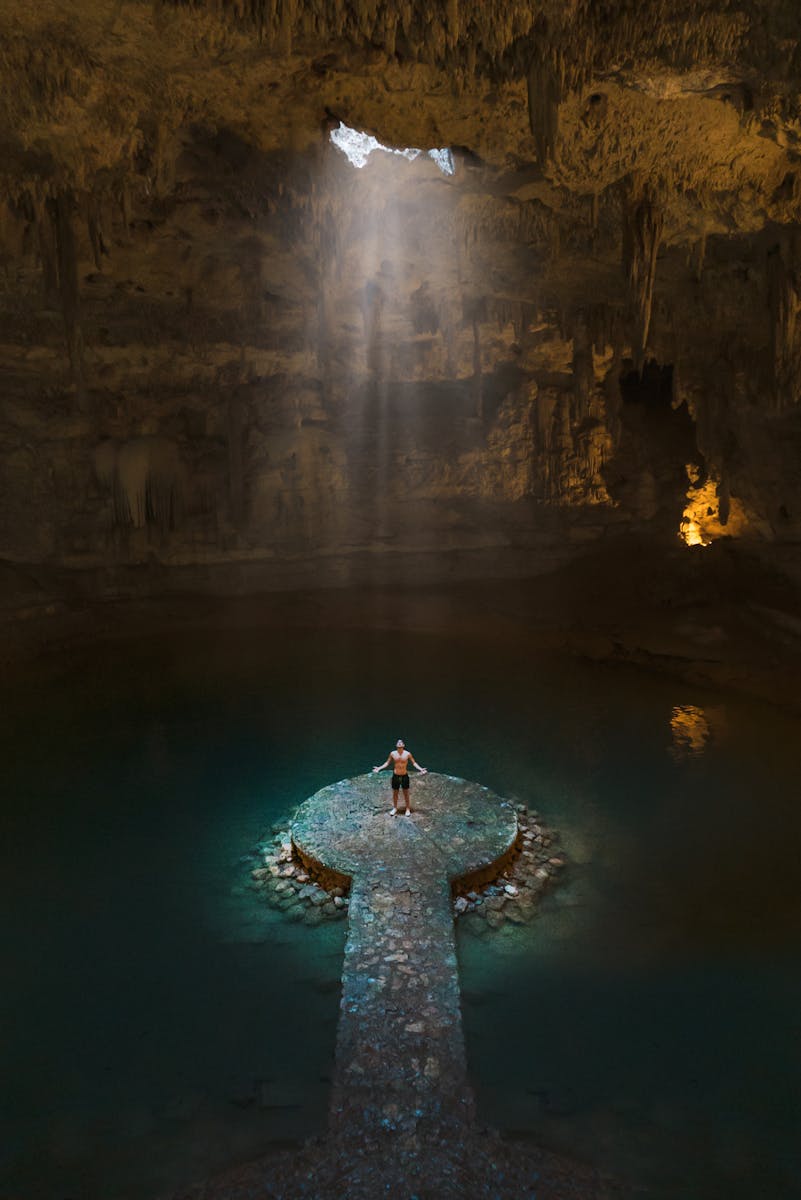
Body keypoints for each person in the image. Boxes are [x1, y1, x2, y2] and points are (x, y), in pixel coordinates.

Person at [372, 739, 428, 815]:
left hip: (404, 775)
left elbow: (414, 763)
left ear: (403, 745)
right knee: (395, 792)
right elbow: (387, 763)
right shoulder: (393, 753)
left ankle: (407, 808)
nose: (399, 743)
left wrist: (420, 769)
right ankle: (395, 808)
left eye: (401, 742)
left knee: (406, 792)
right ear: (396, 745)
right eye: (398, 742)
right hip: (396, 775)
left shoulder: (407, 754)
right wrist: (379, 768)